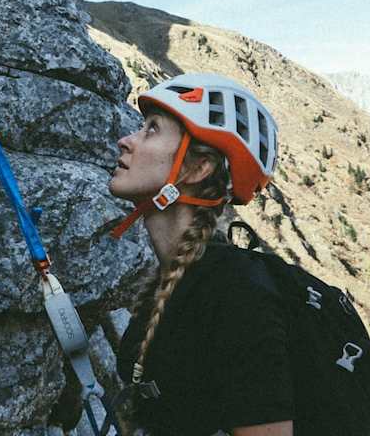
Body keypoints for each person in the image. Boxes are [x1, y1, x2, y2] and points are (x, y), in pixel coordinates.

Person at [108, 72, 292, 436]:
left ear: (197, 168)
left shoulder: (235, 295)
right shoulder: (176, 285)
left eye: (152, 130)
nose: (125, 141)